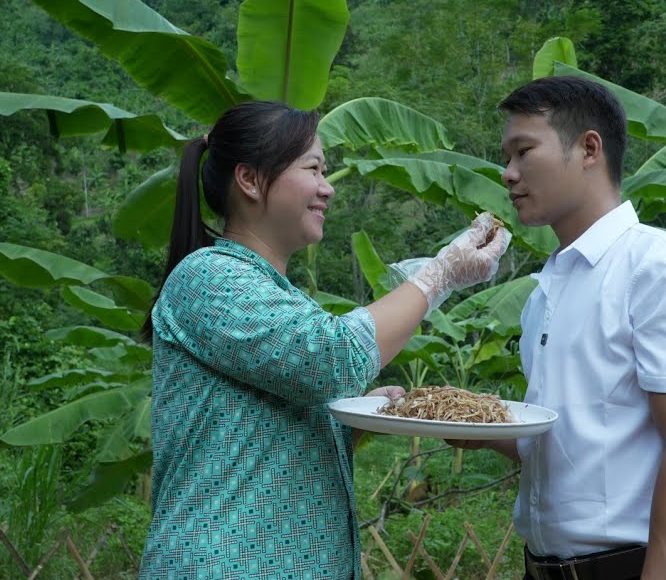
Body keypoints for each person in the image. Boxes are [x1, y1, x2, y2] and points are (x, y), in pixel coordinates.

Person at [138, 101, 511, 579]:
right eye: (313, 169)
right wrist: (440, 274)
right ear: (250, 180)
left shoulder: (281, 297)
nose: (327, 188)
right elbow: (332, 359)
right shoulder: (209, 277)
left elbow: (266, 436)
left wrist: (354, 419)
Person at [456, 76, 666, 580]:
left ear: (589, 148)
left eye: (524, 152)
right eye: (507, 157)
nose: (508, 173)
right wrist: (470, 424)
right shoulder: (547, 288)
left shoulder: (660, 268)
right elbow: (573, 443)